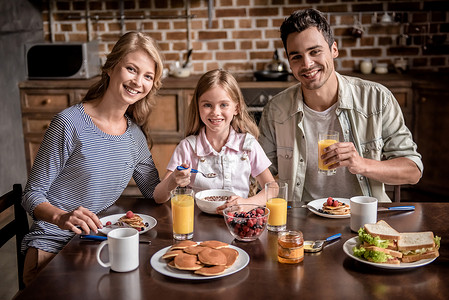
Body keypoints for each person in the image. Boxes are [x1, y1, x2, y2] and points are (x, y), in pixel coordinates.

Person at [21, 31, 164, 285]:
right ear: (110, 68)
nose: (137, 81)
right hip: (51, 248)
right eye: (131, 69)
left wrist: (179, 177)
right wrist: (62, 217)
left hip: (93, 247)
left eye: (148, 76)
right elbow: (32, 195)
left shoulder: (135, 136)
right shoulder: (69, 123)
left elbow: (154, 192)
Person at [258, 9, 423, 204]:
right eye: (296, 57)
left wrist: (362, 164)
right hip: (301, 222)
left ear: (334, 49)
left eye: (315, 51)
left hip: (365, 219)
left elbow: (413, 171)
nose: (307, 64)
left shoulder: (377, 98)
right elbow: (263, 177)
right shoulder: (276, 110)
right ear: (289, 62)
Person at [153, 69, 274, 211]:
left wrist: (248, 203)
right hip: (197, 223)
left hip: (238, 222)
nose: (215, 112)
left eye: (223, 105)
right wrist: (173, 180)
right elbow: (158, 197)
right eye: (207, 105)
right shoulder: (187, 147)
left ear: (237, 108)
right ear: (198, 107)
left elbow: (273, 188)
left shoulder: (248, 145)